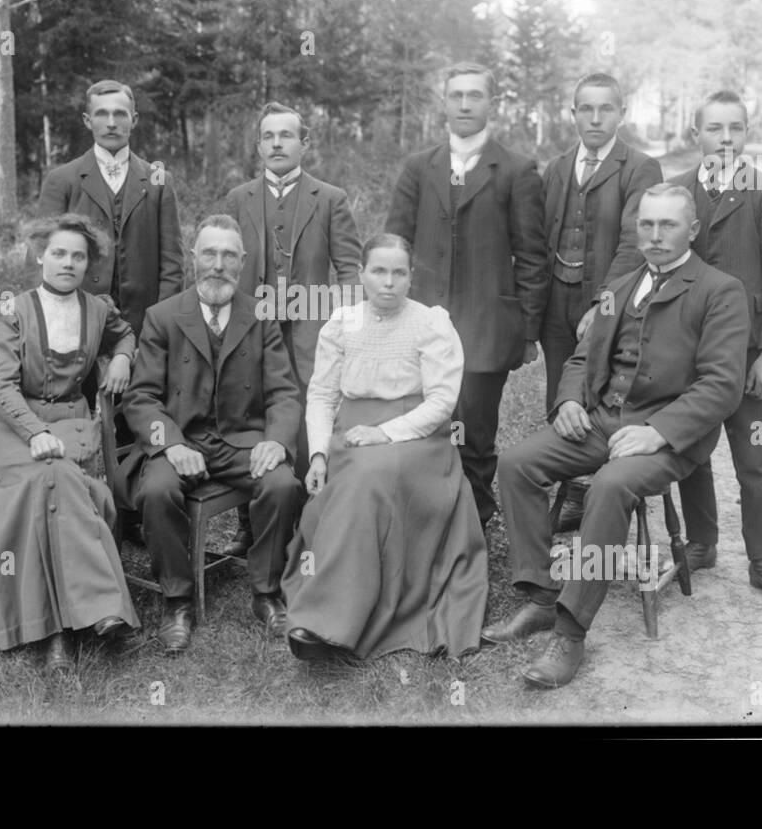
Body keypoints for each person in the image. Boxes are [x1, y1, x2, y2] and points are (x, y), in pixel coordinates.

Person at [484, 184, 749, 687]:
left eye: (668, 225)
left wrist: (657, 432)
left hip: (667, 435)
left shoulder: (720, 291)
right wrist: (568, 400)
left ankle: (570, 631)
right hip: (603, 419)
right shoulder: (621, 286)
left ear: (692, 230)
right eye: (646, 225)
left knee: (608, 485)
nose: (655, 235)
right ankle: (541, 597)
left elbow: (722, 385)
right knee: (517, 463)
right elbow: (582, 359)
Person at [281, 233, 487, 662]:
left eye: (399, 273)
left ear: (411, 277)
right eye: (378, 271)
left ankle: (328, 620)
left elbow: (441, 403)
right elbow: (321, 395)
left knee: (369, 477)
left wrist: (386, 433)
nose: (388, 283)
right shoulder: (342, 322)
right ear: (360, 274)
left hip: (419, 439)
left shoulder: (430, 323)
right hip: (352, 435)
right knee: (351, 482)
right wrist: (318, 454)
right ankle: (331, 607)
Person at [0, 214, 141, 671]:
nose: (68, 263)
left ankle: (63, 628)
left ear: (89, 264)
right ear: (40, 256)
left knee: (54, 477)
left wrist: (122, 358)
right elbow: (0, 387)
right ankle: (84, 615)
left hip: (70, 426)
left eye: (78, 256)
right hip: (10, 429)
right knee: (53, 477)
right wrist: (35, 433)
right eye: (58, 253)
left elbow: (126, 335)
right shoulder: (11, 312)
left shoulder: (97, 309)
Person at [119, 215, 304, 653]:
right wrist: (171, 444)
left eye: (228, 255)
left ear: (242, 262)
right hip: (182, 439)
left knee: (282, 485)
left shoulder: (260, 316)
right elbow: (141, 397)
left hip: (241, 441)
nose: (218, 265)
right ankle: (177, 600)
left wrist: (276, 440)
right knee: (157, 490)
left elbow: (283, 392)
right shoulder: (163, 316)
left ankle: (266, 591)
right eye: (209, 253)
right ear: (193, 258)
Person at [385, 61, 549, 527]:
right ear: (444, 102)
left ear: (491, 103)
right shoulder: (419, 168)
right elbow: (395, 246)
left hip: (485, 330)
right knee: (423, 426)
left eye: (474, 95)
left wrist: (527, 332)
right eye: (455, 95)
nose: (464, 104)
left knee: (474, 434)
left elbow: (531, 257)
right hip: (422, 327)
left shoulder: (516, 170)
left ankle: (473, 527)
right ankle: (425, 522)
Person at [665, 90, 762, 609]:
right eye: (714, 128)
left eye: (735, 128)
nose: (725, 138)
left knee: (755, 455)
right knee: (690, 450)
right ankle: (702, 544)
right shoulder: (677, 193)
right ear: (695, 134)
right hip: (690, 350)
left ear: (746, 133)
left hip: (746, 354)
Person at [36, 78, 185, 542]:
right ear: (88, 120)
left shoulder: (156, 179)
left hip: (142, 326)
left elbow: (172, 262)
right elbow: (44, 256)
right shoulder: (64, 179)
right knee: (77, 414)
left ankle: (133, 513)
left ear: (134, 120)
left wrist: (156, 330)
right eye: (102, 113)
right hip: (76, 325)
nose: (112, 122)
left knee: (137, 416)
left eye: (121, 113)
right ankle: (78, 514)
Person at [218, 101, 362, 556]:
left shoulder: (330, 198)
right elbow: (224, 266)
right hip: (251, 332)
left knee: (303, 423)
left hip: (309, 334)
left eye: (286, 135)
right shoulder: (239, 198)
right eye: (268, 136)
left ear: (305, 143)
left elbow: (349, 270)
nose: (277, 144)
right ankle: (250, 525)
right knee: (250, 418)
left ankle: (305, 527)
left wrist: (346, 329)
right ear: (258, 145)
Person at [542, 73, 664, 530]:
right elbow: (542, 237)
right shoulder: (557, 167)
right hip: (556, 298)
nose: (595, 118)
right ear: (573, 113)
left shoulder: (639, 168)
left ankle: (604, 492)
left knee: (606, 391)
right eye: (586, 109)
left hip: (611, 303)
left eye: (605, 109)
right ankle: (571, 486)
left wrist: (603, 305)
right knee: (563, 389)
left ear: (621, 114)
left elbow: (635, 243)